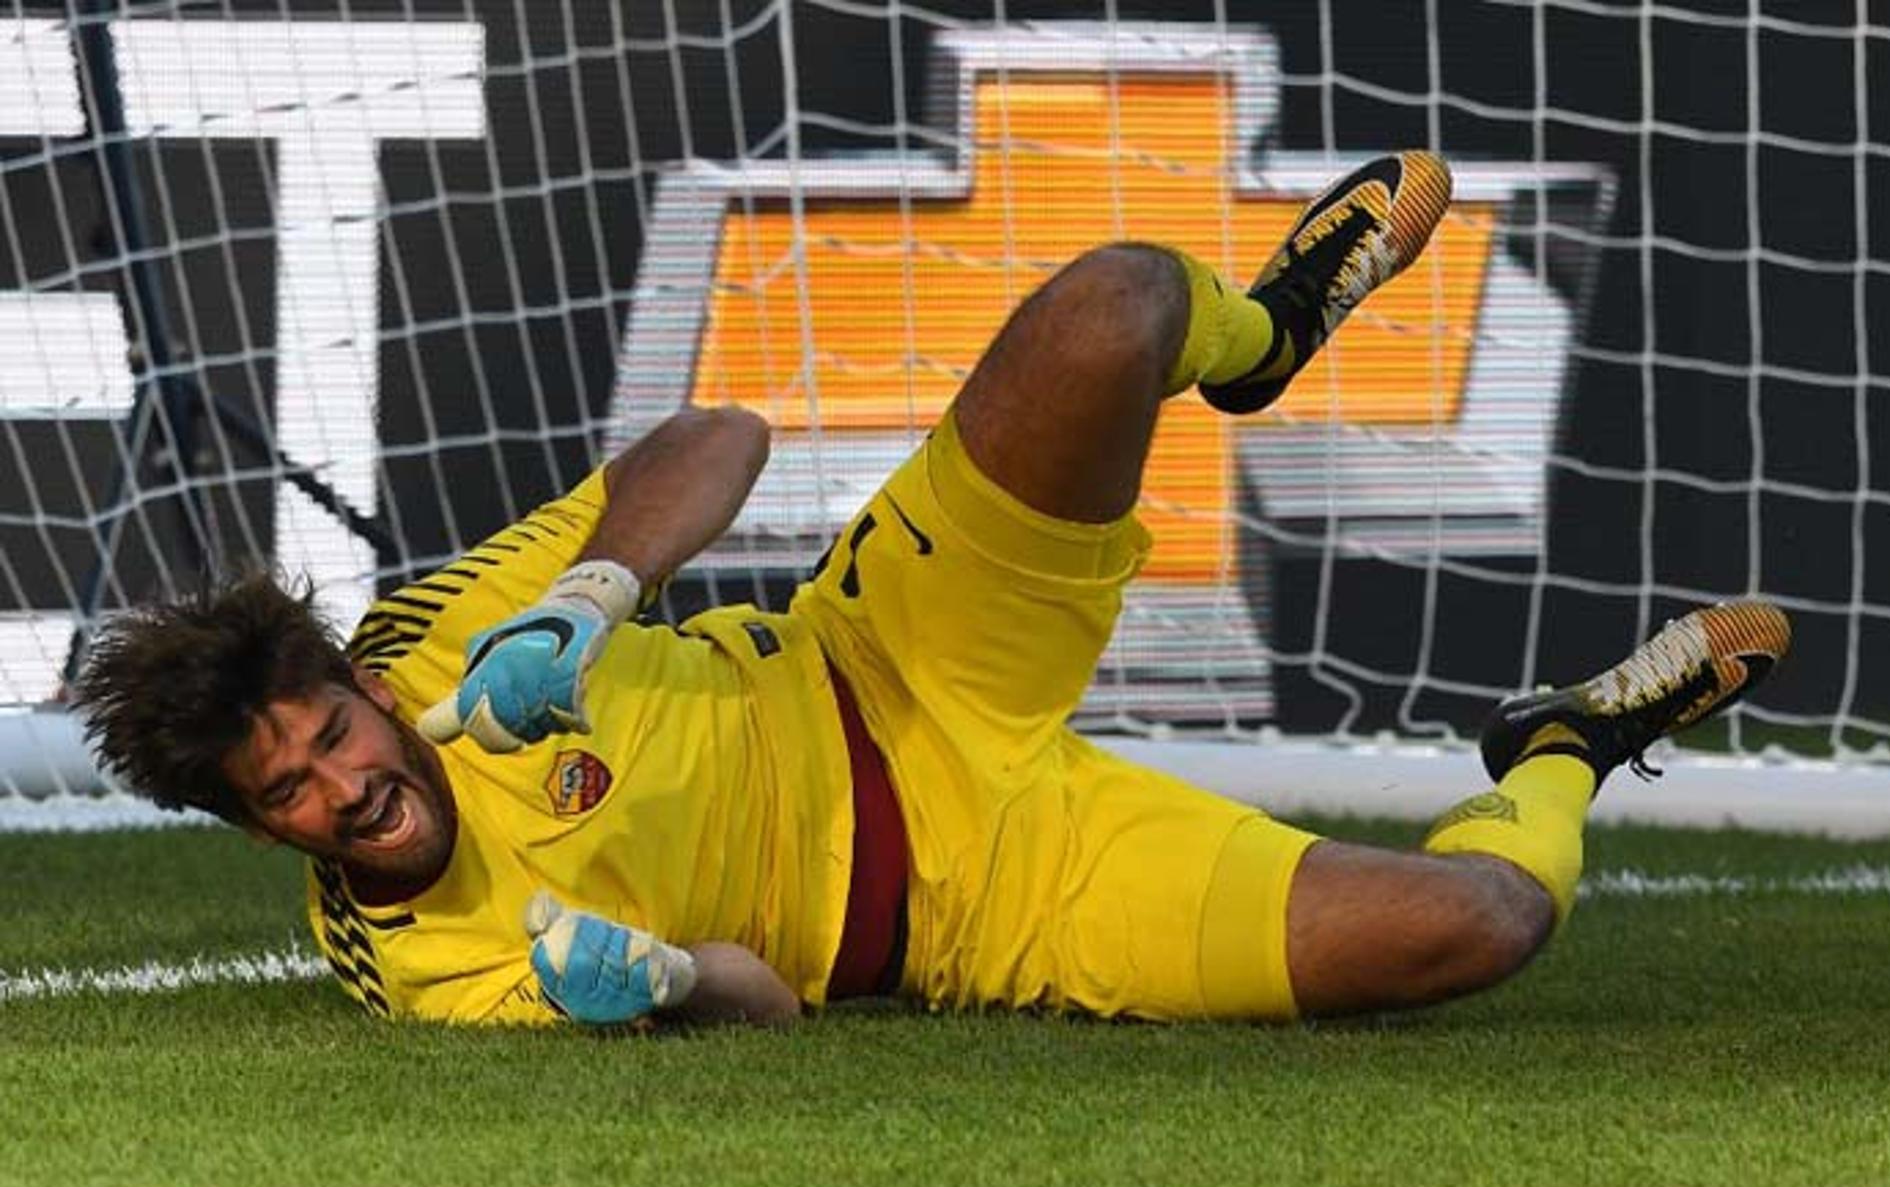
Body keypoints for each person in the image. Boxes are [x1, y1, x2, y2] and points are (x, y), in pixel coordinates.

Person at [71, 151, 1791, 1030]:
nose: (342, 787)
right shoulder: (416, 972)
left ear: (359, 680)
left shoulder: (438, 636)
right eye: (286, 794)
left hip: (880, 645)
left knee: (1118, 306)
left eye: (327, 735)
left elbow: (721, 435)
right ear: (262, 829)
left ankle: (1258, 340)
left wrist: (589, 595)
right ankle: (1561, 751)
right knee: (1471, 931)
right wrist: (662, 988)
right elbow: (759, 999)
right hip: (980, 900)